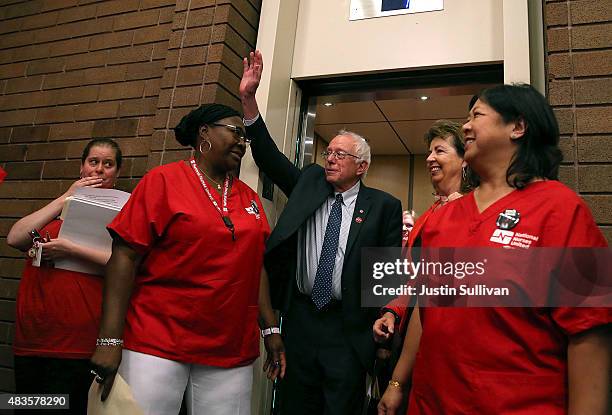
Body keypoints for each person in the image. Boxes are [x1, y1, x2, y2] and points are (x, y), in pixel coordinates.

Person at [377, 84, 612, 414]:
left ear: (517, 126)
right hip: (432, 403)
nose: (466, 126)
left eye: (477, 115)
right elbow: (427, 312)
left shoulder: (563, 209)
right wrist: (398, 383)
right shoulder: (442, 219)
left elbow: (590, 333)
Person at [89, 104, 284, 415]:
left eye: (245, 138)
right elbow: (124, 256)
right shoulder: (163, 181)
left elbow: (254, 266)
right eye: (235, 132)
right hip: (157, 341)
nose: (241, 142)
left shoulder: (249, 198)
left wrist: (270, 329)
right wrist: (109, 339)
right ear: (204, 132)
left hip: (230, 348)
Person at [240, 50, 403, 414]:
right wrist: (249, 100)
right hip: (299, 323)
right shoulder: (310, 184)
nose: (329, 158)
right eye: (328, 152)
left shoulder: (384, 206)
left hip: (347, 330)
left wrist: (386, 318)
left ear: (361, 167)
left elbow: (388, 271)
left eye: (340, 155)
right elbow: (268, 157)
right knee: (293, 406)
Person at [7, 138, 123, 414]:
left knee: (65, 407)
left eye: (108, 164)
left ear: (116, 174)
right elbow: (14, 237)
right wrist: (66, 198)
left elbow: (124, 265)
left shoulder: (121, 220)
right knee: (26, 406)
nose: (99, 170)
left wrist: (69, 248)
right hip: (32, 341)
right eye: (93, 162)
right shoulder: (54, 216)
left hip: (77, 344)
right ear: (81, 168)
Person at [373, 120, 471, 344]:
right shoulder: (430, 213)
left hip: (451, 332)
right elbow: (416, 279)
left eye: (439, 151)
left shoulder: (475, 209)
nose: (429, 159)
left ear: (464, 159)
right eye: (429, 152)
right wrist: (392, 312)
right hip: (415, 326)